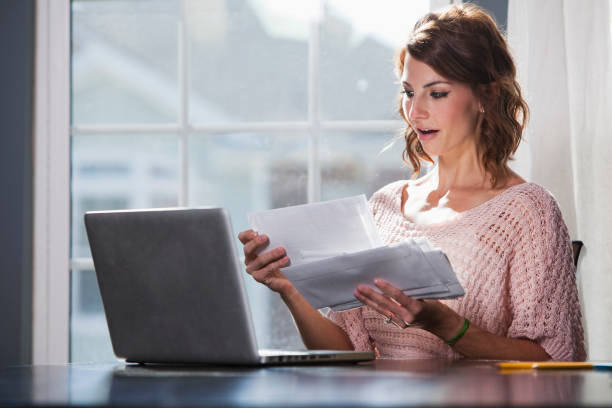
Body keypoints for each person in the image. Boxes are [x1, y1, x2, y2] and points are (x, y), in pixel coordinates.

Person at [238, 3, 585, 361]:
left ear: (487, 95)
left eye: (436, 93)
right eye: (408, 92)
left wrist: (447, 326)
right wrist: (287, 288)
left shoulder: (529, 212)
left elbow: (554, 360)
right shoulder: (384, 208)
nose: (416, 111)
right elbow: (348, 350)